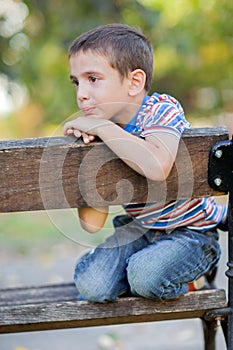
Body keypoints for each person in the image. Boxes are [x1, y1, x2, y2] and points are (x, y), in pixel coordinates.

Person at [63, 23, 227, 302]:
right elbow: (92, 224)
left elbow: (157, 166)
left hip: (191, 232)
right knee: (93, 286)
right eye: (76, 82)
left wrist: (104, 130)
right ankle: (135, 267)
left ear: (135, 82)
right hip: (139, 228)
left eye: (93, 78)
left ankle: (193, 274)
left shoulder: (161, 110)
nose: (81, 93)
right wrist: (91, 154)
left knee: (144, 276)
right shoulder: (101, 131)